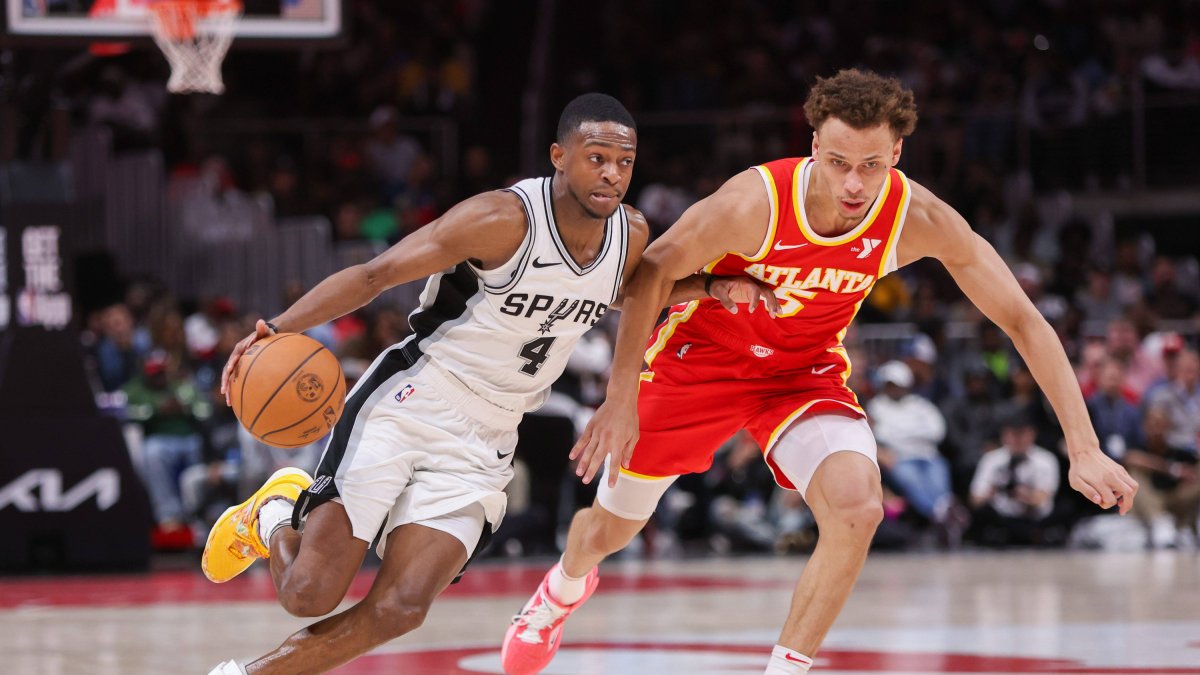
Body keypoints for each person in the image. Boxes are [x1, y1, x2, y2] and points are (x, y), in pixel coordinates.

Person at [501, 69, 1138, 675]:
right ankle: (560, 591)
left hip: (801, 374)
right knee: (609, 530)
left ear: (897, 154)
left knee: (859, 508)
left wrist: (1083, 447)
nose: (854, 184)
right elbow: (646, 277)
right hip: (701, 364)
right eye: (838, 163)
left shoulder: (916, 218)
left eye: (871, 165)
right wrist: (619, 397)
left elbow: (1024, 320)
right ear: (813, 147)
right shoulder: (754, 203)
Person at [202, 93, 771, 675]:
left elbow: (623, 291)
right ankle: (274, 511)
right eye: (596, 158)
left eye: (624, 162)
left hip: (489, 434)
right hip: (414, 399)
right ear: (559, 156)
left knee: (402, 607)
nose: (612, 175)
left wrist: (709, 287)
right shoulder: (502, 220)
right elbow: (376, 274)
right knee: (308, 594)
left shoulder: (630, 232)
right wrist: (277, 327)